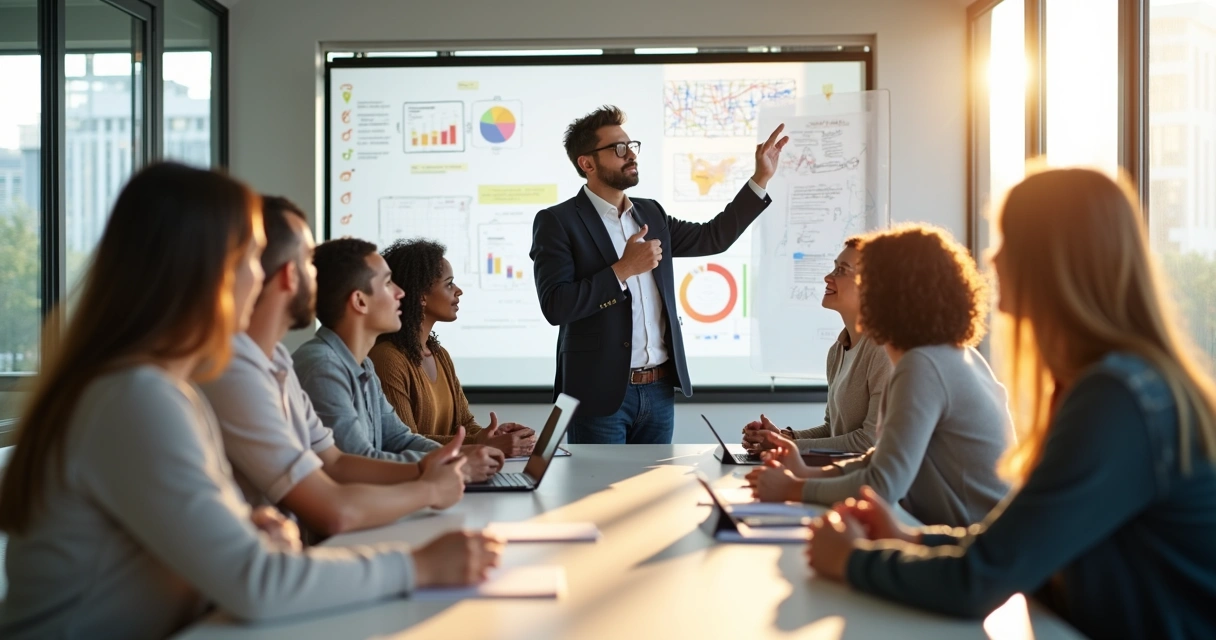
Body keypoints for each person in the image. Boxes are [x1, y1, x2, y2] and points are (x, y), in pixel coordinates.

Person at [0, 164, 502, 639]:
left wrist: (246, 529)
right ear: (209, 273)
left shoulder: (153, 387)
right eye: (249, 260)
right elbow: (259, 584)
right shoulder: (136, 396)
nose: (262, 278)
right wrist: (420, 565)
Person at [806, 169, 1216, 639]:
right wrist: (910, 538)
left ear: (1054, 260)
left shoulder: (1116, 399)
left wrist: (853, 562)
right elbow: (1015, 543)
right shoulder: (1112, 384)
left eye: (1007, 240)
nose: (992, 257)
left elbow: (980, 580)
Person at [202, 197, 472, 540]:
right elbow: (337, 500)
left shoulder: (279, 361)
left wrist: (443, 463)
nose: (314, 274)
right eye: (305, 261)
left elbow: (336, 462)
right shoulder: (269, 368)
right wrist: (430, 486)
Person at [530, 105, 788, 444]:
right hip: (600, 396)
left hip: (659, 392)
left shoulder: (650, 213)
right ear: (587, 163)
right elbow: (556, 305)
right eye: (618, 149)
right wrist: (623, 270)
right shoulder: (559, 222)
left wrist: (760, 179)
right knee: (599, 496)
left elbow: (714, 237)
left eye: (631, 146)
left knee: (655, 493)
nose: (630, 155)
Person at [748, 224, 1013, 527]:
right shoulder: (947, 355)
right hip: (969, 539)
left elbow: (883, 484)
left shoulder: (922, 365)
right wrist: (807, 473)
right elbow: (879, 458)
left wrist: (794, 488)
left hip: (974, 551)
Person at [293, 238, 504, 479]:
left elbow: (398, 438)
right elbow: (360, 462)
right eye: (387, 283)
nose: (401, 293)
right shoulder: (324, 367)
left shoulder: (363, 365)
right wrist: (452, 465)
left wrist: (460, 457)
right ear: (360, 301)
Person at [371, 238, 537, 457]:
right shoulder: (387, 359)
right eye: (449, 284)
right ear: (421, 296)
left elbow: (465, 424)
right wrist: (481, 444)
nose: (458, 291)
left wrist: (496, 437)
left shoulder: (439, 354)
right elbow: (405, 441)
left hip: (451, 474)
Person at [741, 237, 891, 454]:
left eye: (841, 270)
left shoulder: (883, 350)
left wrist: (786, 447)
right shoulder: (837, 351)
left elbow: (869, 442)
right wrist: (784, 437)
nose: (828, 277)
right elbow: (833, 430)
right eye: (834, 268)